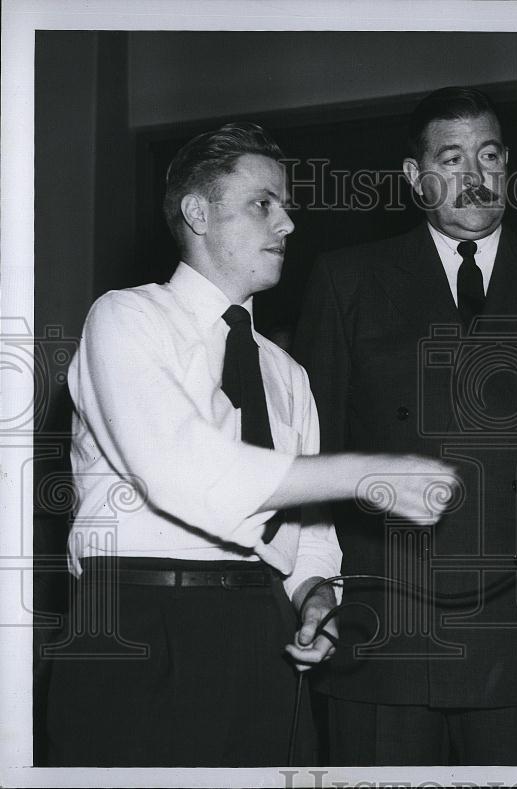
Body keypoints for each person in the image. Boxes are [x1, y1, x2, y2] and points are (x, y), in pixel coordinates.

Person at [44, 122, 454, 767]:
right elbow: (183, 470)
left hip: (261, 629)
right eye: (264, 203)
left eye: (286, 206)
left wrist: (314, 593)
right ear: (197, 213)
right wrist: (366, 472)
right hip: (137, 620)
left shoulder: (287, 373)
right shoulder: (125, 319)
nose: (288, 223)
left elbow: (308, 532)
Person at [295, 86, 517, 766]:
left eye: (489, 155)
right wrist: (315, 583)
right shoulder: (350, 280)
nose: (476, 177)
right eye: (452, 158)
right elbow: (315, 454)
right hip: (388, 633)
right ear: (414, 177)